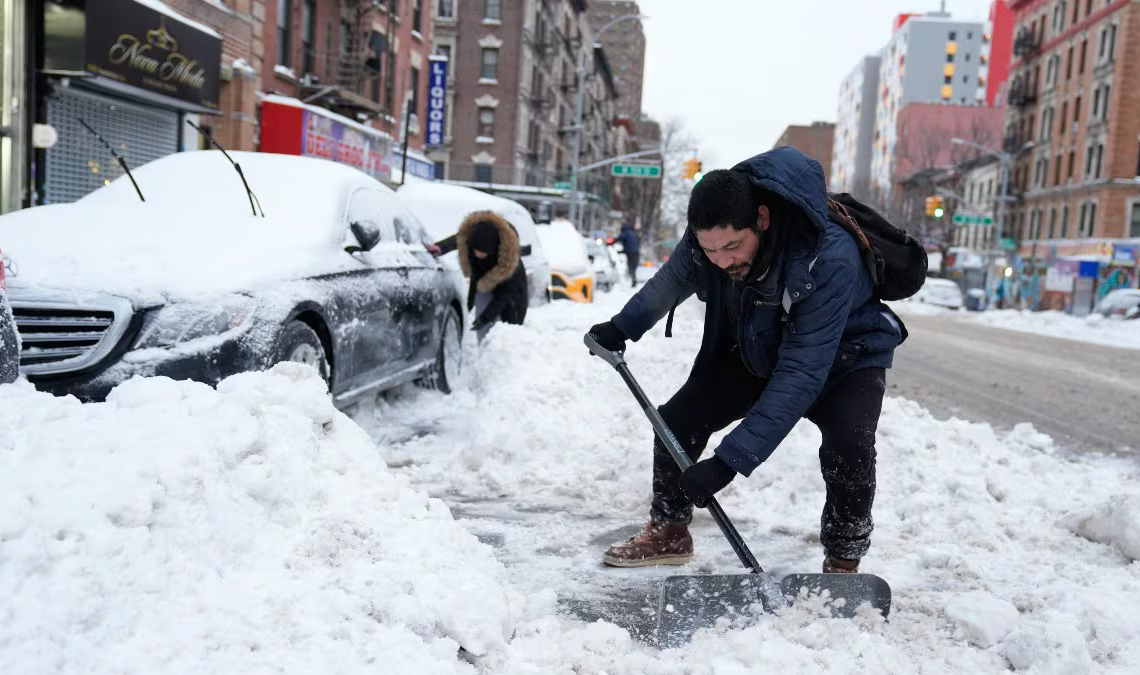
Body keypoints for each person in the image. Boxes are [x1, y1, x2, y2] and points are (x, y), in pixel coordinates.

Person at [587, 146, 907, 574]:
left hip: (845, 357)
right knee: (677, 421)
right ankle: (669, 529)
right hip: (762, 343)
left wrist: (726, 463)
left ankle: (844, 560)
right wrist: (622, 326)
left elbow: (802, 370)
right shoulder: (712, 231)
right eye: (712, 252)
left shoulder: (827, 256)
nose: (723, 261)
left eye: (733, 247)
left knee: (850, 443)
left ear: (762, 218)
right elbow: (676, 276)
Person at [430, 210, 528, 342]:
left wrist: (485, 317)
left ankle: (505, 355)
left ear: (493, 249)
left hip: (511, 294)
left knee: (510, 330)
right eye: (475, 251)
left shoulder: (510, 263)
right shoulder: (472, 237)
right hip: (484, 283)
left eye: (483, 253)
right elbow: (458, 239)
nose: (478, 255)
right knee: (482, 328)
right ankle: (482, 350)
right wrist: (440, 247)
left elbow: (504, 296)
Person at [615, 223, 640, 287]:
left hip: (631, 253)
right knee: (633, 268)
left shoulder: (627, 233)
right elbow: (630, 245)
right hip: (636, 253)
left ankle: (633, 281)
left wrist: (612, 241)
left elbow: (620, 238)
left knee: (631, 267)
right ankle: (633, 280)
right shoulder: (633, 234)